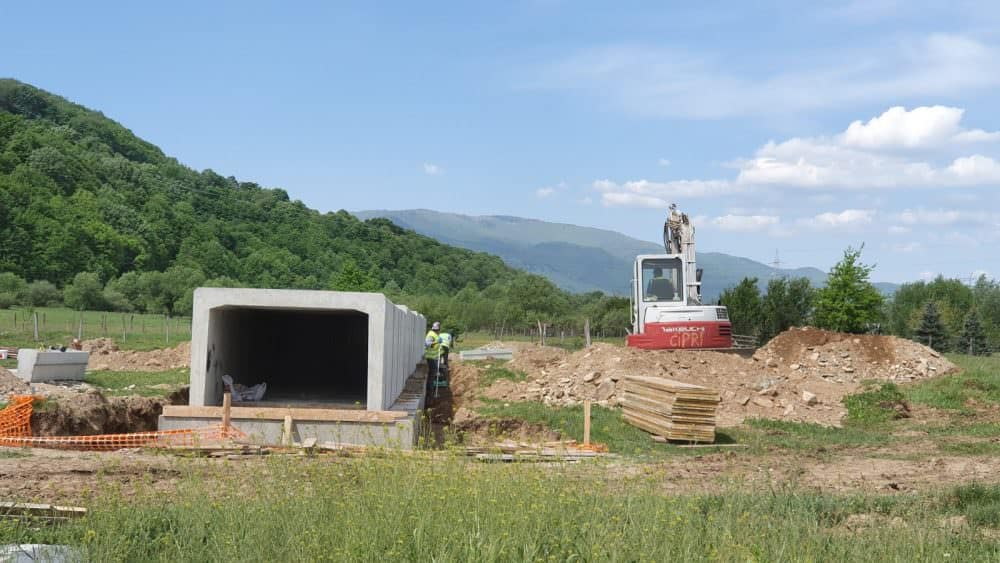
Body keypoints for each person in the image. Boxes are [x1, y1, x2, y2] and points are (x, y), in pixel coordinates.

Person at [424, 321, 441, 388]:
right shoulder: (431, 335)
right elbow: (427, 344)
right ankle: (429, 392)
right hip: (430, 357)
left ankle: (430, 390)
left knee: (433, 374)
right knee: (431, 374)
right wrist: (437, 341)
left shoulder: (434, 334)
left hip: (433, 357)